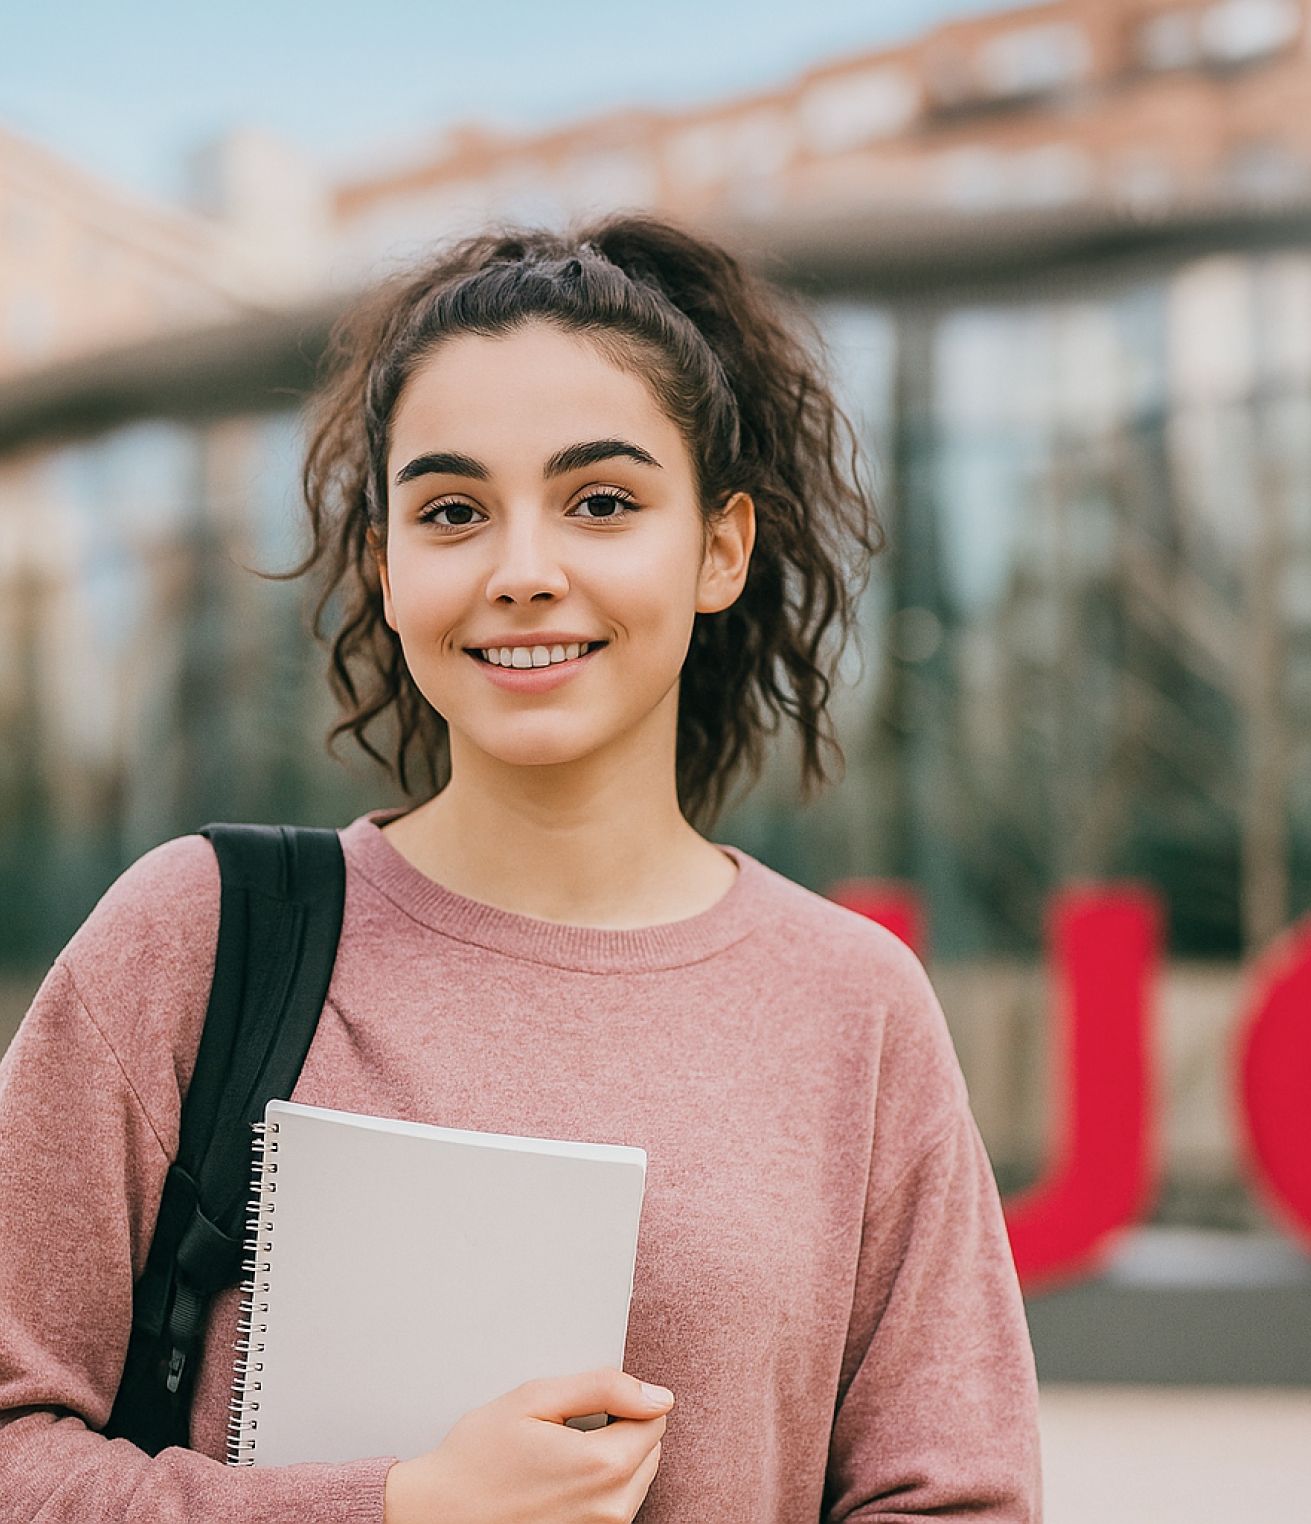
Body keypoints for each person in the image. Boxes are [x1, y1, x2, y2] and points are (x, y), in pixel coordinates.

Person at [0, 214, 1044, 1521]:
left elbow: (957, 1498)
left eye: (601, 502)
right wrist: (397, 1508)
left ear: (720, 549)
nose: (523, 572)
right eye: (453, 512)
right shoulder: (198, 939)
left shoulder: (854, 1004)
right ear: (386, 567)